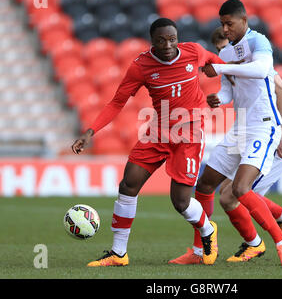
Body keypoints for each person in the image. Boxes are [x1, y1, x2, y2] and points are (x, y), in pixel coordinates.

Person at [71, 17, 226, 267]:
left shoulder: (193, 52)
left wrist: (222, 87)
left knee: (181, 203)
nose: (167, 45)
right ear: (152, 41)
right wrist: (91, 132)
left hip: (189, 135)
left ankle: (208, 230)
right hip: (158, 132)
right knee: (128, 184)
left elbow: (218, 63)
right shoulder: (141, 66)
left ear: (178, 38)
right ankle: (118, 253)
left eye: (172, 39)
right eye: (161, 40)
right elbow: (117, 102)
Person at [169, 0, 282, 267]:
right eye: (222, 24)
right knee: (204, 184)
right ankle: (199, 248)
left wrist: (221, 68)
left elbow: (261, 70)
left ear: (243, 20)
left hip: (263, 125)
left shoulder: (258, 42)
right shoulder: (226, 54)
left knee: (239, 188)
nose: (225, 29)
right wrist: (219, 96)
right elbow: (231, 88)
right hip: (239, 127)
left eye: (229, 23)